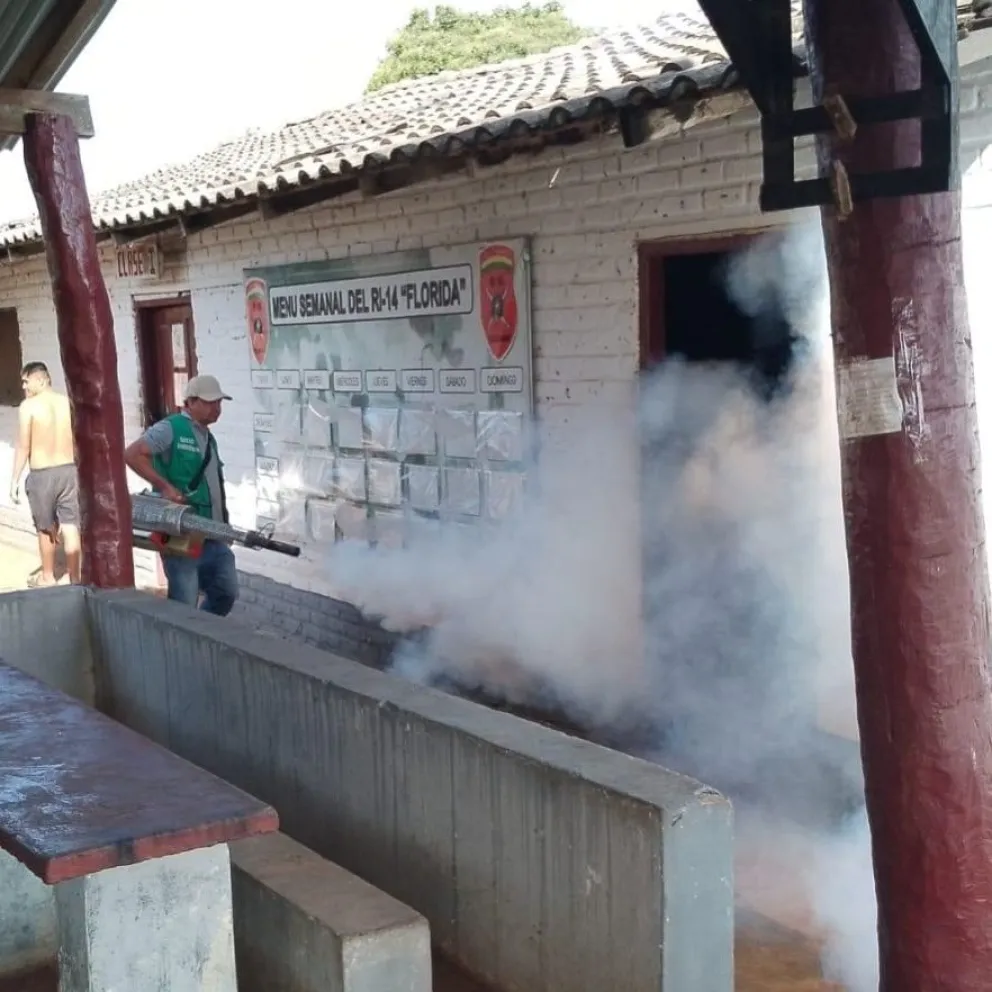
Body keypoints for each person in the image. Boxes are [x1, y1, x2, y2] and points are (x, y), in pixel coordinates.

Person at [124, 374, 238, 616]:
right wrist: (164, 486)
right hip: (180, 533)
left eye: (219, 403)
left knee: (226, 592)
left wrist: (224, 526)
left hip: (211, 532)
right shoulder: (171, 428)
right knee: (184, 602)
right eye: (210, 402)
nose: (217, 408)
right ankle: (182, 646)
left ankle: (201, 634)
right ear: (191, 402)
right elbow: (132, 454)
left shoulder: (209, 438)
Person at [9, 362, 81, 586]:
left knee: (45, 527)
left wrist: (14, 480)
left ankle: (47, 576)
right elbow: (76, 437)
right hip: (69, 470)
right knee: (71, 526)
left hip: (42, 474)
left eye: (26, 381)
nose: (23, 387)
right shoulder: (66, 402)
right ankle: (74, 576)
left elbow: (23, 445)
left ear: (41, 380)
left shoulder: (28, 407)